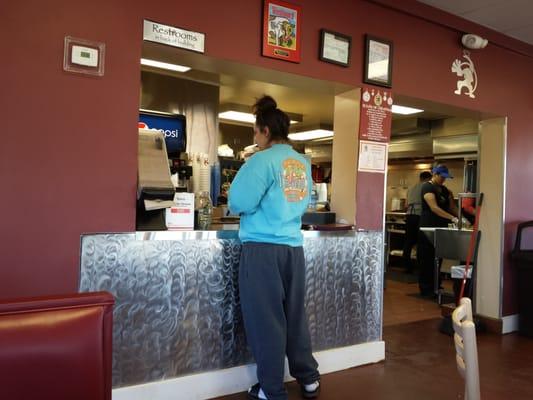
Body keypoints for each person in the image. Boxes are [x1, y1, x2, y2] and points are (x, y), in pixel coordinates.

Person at [228, 95, 320, 400]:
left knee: (265, 320)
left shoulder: (261, 161)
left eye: (255, 132)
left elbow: (238, 202)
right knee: (294, 315)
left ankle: (271, 389)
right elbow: (303, 202)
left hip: (263, 250)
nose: (254, 138)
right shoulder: (302, 163)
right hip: (294, 249)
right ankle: (308, 378)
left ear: (265, 131)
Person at [417, 164, 460, 297]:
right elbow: (434, 207)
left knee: (437, 257)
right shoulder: (427, 187)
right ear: (435, 174)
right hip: (428, 228)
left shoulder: (445, 190)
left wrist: (462, 218)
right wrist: (452, 218)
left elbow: (452, 208)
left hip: (441, 229)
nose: (443, 180)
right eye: (442, 177)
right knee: (426, 258)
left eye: (445, 178)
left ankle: (436, 285)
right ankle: (426, 288)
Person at [402, 171, 432, 273]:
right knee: (421, 242)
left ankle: (407, 266)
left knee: (408, 242)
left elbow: (406, 205)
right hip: (419, 216)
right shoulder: (426, 187)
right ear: (428, 178)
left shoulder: (410, 188)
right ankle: (421, 267)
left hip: (409, 215)